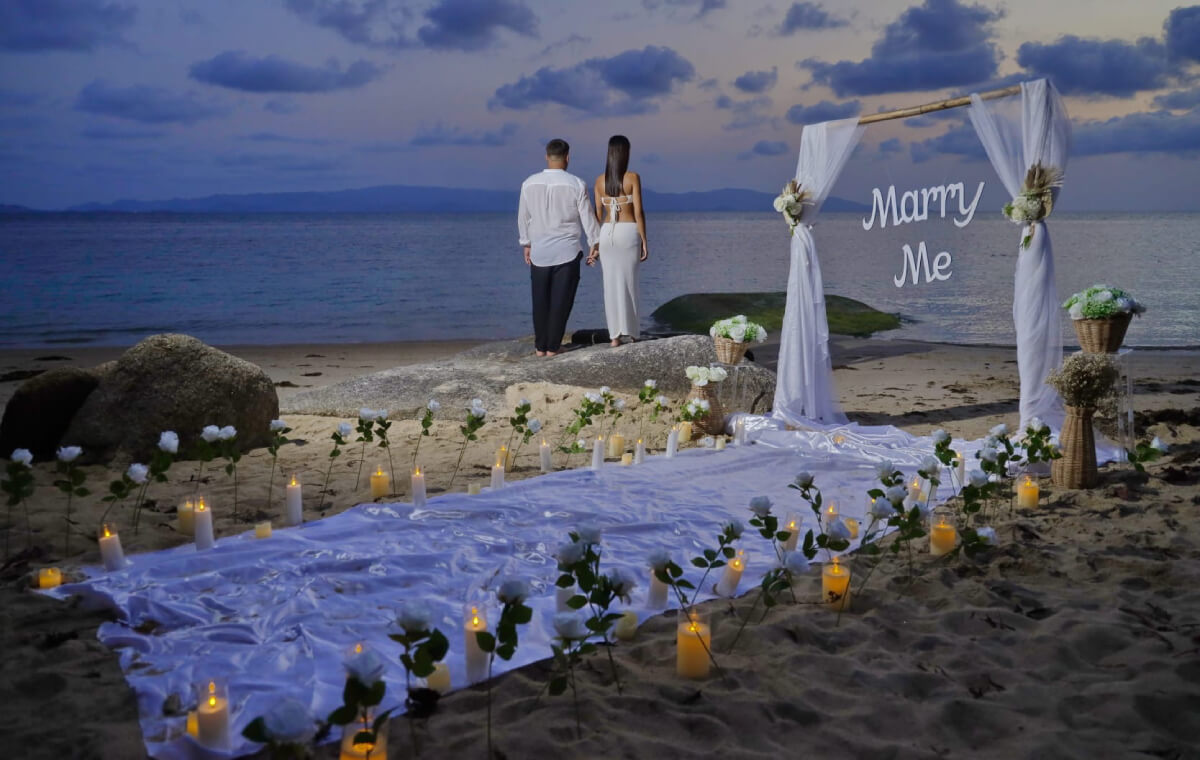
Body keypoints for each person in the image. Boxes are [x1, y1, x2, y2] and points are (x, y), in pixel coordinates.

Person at [517, 138, 601, 357]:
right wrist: (595, 243)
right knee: (561, 301)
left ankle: (540, 346)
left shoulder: (529, 183)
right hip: (567, 250)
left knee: (540, 300)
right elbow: (587, 217)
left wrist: (526, 243)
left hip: (540, 250)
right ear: (567, 157)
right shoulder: (576, 184)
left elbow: (523, 217)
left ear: (547, 156)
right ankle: (553, 346)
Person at [591, 135, 648, 347]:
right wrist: (644, 240)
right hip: (628, 232)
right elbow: (639, 212)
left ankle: (614, 336)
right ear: (625, 153)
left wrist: (594, 244)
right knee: (630, 283)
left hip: (607, 234)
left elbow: (597, 215)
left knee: (610, 285)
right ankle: (633, 333)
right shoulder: (633, 177)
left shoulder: (599, 181)